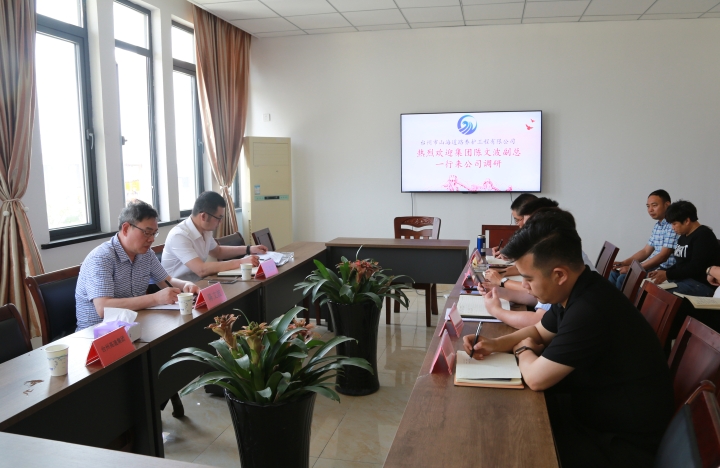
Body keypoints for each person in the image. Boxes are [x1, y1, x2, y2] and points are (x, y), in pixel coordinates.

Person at [463, 209, 673, 468]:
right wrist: (494, 344)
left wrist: (522, 349)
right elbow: (539, 332)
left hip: (620, 445)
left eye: (528, 278)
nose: (524, 285)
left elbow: (536, 378)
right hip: (592, 413)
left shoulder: (590, 309)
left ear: (559, 275)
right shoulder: (579, 288)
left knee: (508, 446)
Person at [76, 200, 200, 331]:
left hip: (132, 326)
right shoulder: (101, 258)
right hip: (96, 334)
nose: (152, 239)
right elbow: (103, 308)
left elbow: (167, 280)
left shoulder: (146, 254)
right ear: (126, 228)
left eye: (154, 233)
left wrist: (186, 285)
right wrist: (155, 299)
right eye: (147, 232)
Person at [161, 191, 268, 281]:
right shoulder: (179, 236)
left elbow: (218, 251)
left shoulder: (205, 230)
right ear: (203, 216)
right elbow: (201, 269)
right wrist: (241, 262)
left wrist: (249, 249)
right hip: (177, 292)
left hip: (196, 284)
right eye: (218, 218)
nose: (220, 222)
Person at [647, 200, 720, 297]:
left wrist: (668, 274)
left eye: (674, 224)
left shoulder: (703, 236)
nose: (672, 228)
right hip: (684, 280)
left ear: (687, 221)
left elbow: (695, 268)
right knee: (647, 288)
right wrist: (664, 272)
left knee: (658, 295)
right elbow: (680, 264)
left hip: (700, 284)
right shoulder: (683, 236)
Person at [610, 190, 678, 289]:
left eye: (654, 205)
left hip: (663, 270)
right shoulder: (658, 225)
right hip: (652, 267)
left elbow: (663, 256)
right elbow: (645, 251)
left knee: (624, 279)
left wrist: (633, 268)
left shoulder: (673, 225)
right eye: (648, 206)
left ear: (667, 205)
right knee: (614, 273)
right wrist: (624, 263)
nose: (650, 210)